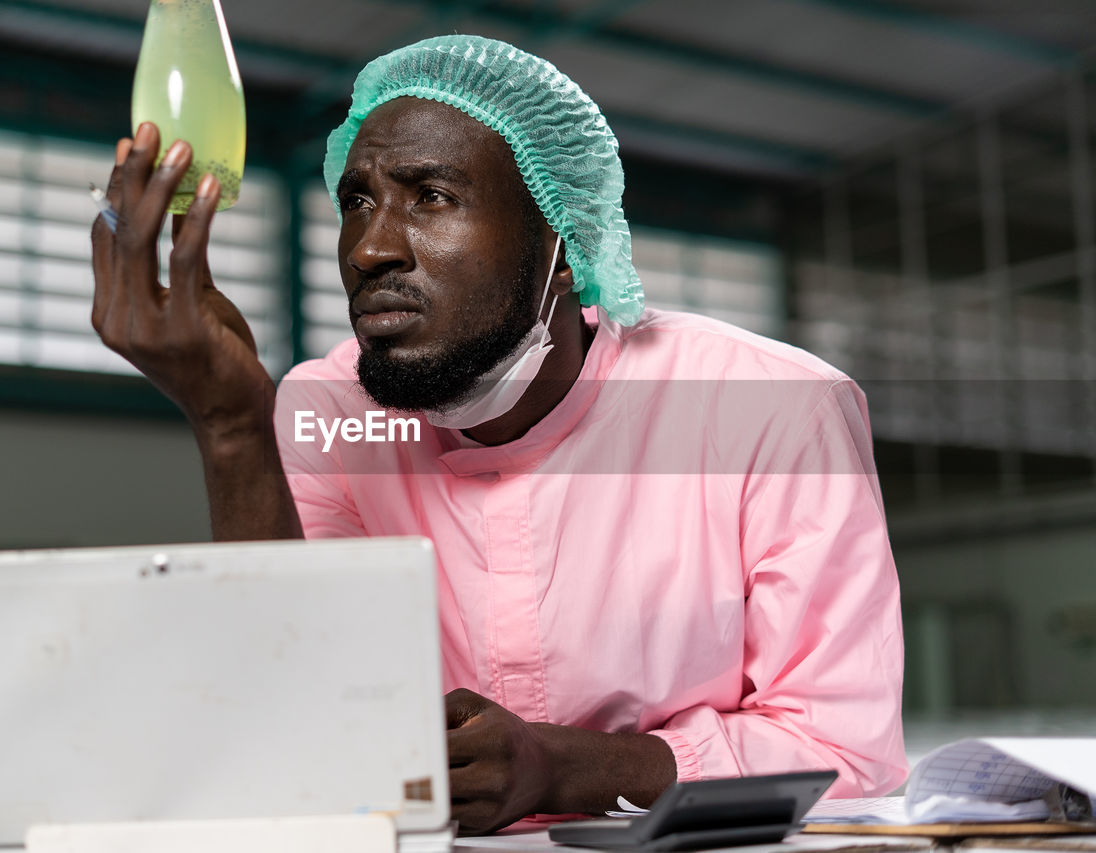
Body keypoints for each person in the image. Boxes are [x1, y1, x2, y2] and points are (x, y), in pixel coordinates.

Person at [91, 35, 907, 835]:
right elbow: (296, 736)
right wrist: (233, 425)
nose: (370, 248)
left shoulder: (770, 409)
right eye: (357, 201)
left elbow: (845, 755)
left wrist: (566, 768)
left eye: (432, 196)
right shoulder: (327, 411)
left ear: (560, 240)